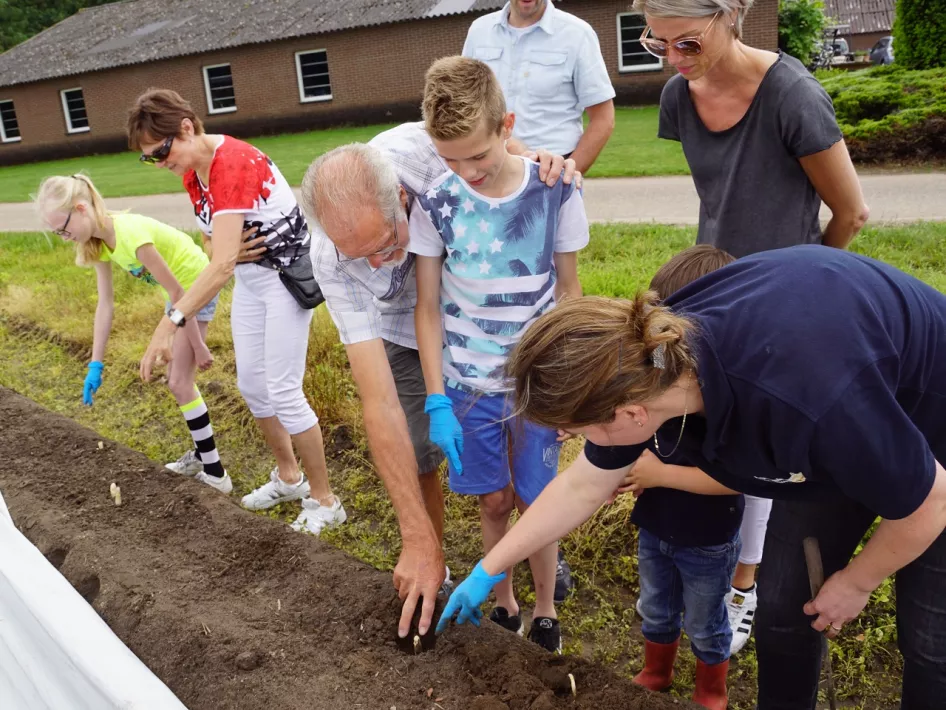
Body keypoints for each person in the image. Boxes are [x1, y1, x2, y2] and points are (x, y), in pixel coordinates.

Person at [439, 245, 946, 710]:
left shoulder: (803, 403)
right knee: (785, 611)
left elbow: (931, 501)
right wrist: (489, 569)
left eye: (570, 431)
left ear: (632, 416)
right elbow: (582, 485)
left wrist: (858, 584)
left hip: (924, 426)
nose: (567, 442)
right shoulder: (648, 356)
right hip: (844, 423)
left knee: (930, 641)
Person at [637, 0, 870, 651]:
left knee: (760, 448)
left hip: (781, 306)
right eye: (659, 46)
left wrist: (806, 290)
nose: (676, 62)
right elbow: (721, 199)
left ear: (731, 13)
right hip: (709, 294)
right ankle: (696, 560)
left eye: (689, 42)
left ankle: (744, 586)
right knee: (708, 428)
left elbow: (850, 211)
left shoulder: (792, 95)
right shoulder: (677, 100)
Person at [300, 121, 578, 640]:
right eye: (363, 257)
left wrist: (538, 159)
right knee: (423, 449)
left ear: (403, 199)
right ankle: (435, 560)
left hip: (480, 311)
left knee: (530, 474)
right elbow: (377, 401)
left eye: (386, 243)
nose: (380, 263)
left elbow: (494, 146)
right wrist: (414, 537)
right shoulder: (330, 257)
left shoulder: (425, 152)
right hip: (403, 332)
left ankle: (536, 549)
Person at [410, 56, 588, 653]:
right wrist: (437, 396)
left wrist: (569, 383)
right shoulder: (435, 203)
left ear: (507, 124)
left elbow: (568, 293)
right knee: (493, 498)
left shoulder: (555, 191)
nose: (467, 172)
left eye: (478, 156)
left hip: (536, 385)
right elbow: (429, 306)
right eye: (450, 158)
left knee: (540, 500)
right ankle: (505, 601)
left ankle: (543, 609)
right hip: (466, 384)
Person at [129, 89, 345, 536]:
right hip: (251, 282)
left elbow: (221, 262)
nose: (159, 163)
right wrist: (227, 251)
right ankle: (289, 478)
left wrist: (170, 323)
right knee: (252, 385)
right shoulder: (194, 173)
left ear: (186, 128)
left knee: (284, 390)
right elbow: (214, 246)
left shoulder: (232, 162)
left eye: (161, 152)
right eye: (149, 159)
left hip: (284, 280)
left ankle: (326, 501)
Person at [35, 173, 231, 494]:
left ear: (81, 208)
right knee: (178, 379)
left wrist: (197, 344)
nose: (63, 236)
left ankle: (216, 474)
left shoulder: (130, 235)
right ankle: (202, 455)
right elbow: (105, 304)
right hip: (179, 294)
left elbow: (181, 292)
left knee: (179, 381)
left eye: (63, 228)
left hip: (197, 284)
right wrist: (95, 364)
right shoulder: (97, 242)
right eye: (56, 232)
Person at [462, 0, 616, 173]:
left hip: (550, 169)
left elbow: (603, 118)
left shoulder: (577, 34)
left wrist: (565, 177)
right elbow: (464, 102)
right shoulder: (479, 31)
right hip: (488, 168)